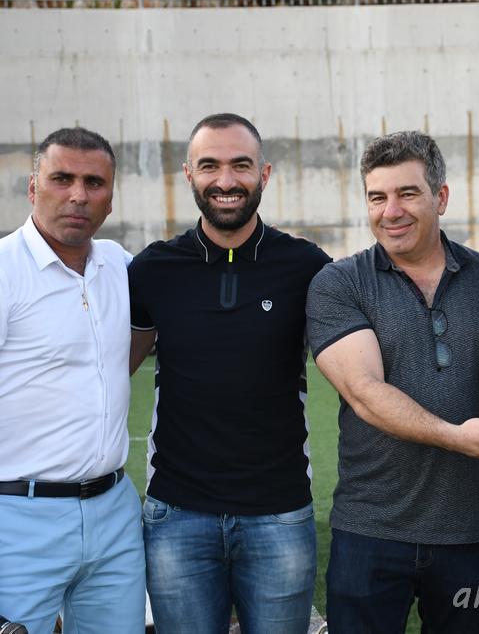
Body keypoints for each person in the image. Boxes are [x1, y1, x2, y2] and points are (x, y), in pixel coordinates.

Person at [306, 131, 479, 633]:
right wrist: (456, 437)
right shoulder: (340, 283)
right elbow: (365, 392)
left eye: (407, 194)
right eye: (377, 197)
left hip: (472, 527)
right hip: (371, 529)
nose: (391, 212)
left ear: (441, 197)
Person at [128, 113, 331, 633]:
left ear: (264, 173)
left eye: (241, 165)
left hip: (279, 514)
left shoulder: (306, 266)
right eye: (209, 166)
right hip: (177, 517)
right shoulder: (152, 269)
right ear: (188, 174)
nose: (225, 180)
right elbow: (111, 371)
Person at [0, 128, 145, 632]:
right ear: (32, 187)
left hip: (114, 511)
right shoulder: (3, 270)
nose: (78, 195)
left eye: (94, 183)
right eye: (62, 179)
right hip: (18, 517)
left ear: (111, 197)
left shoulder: (122, 266)